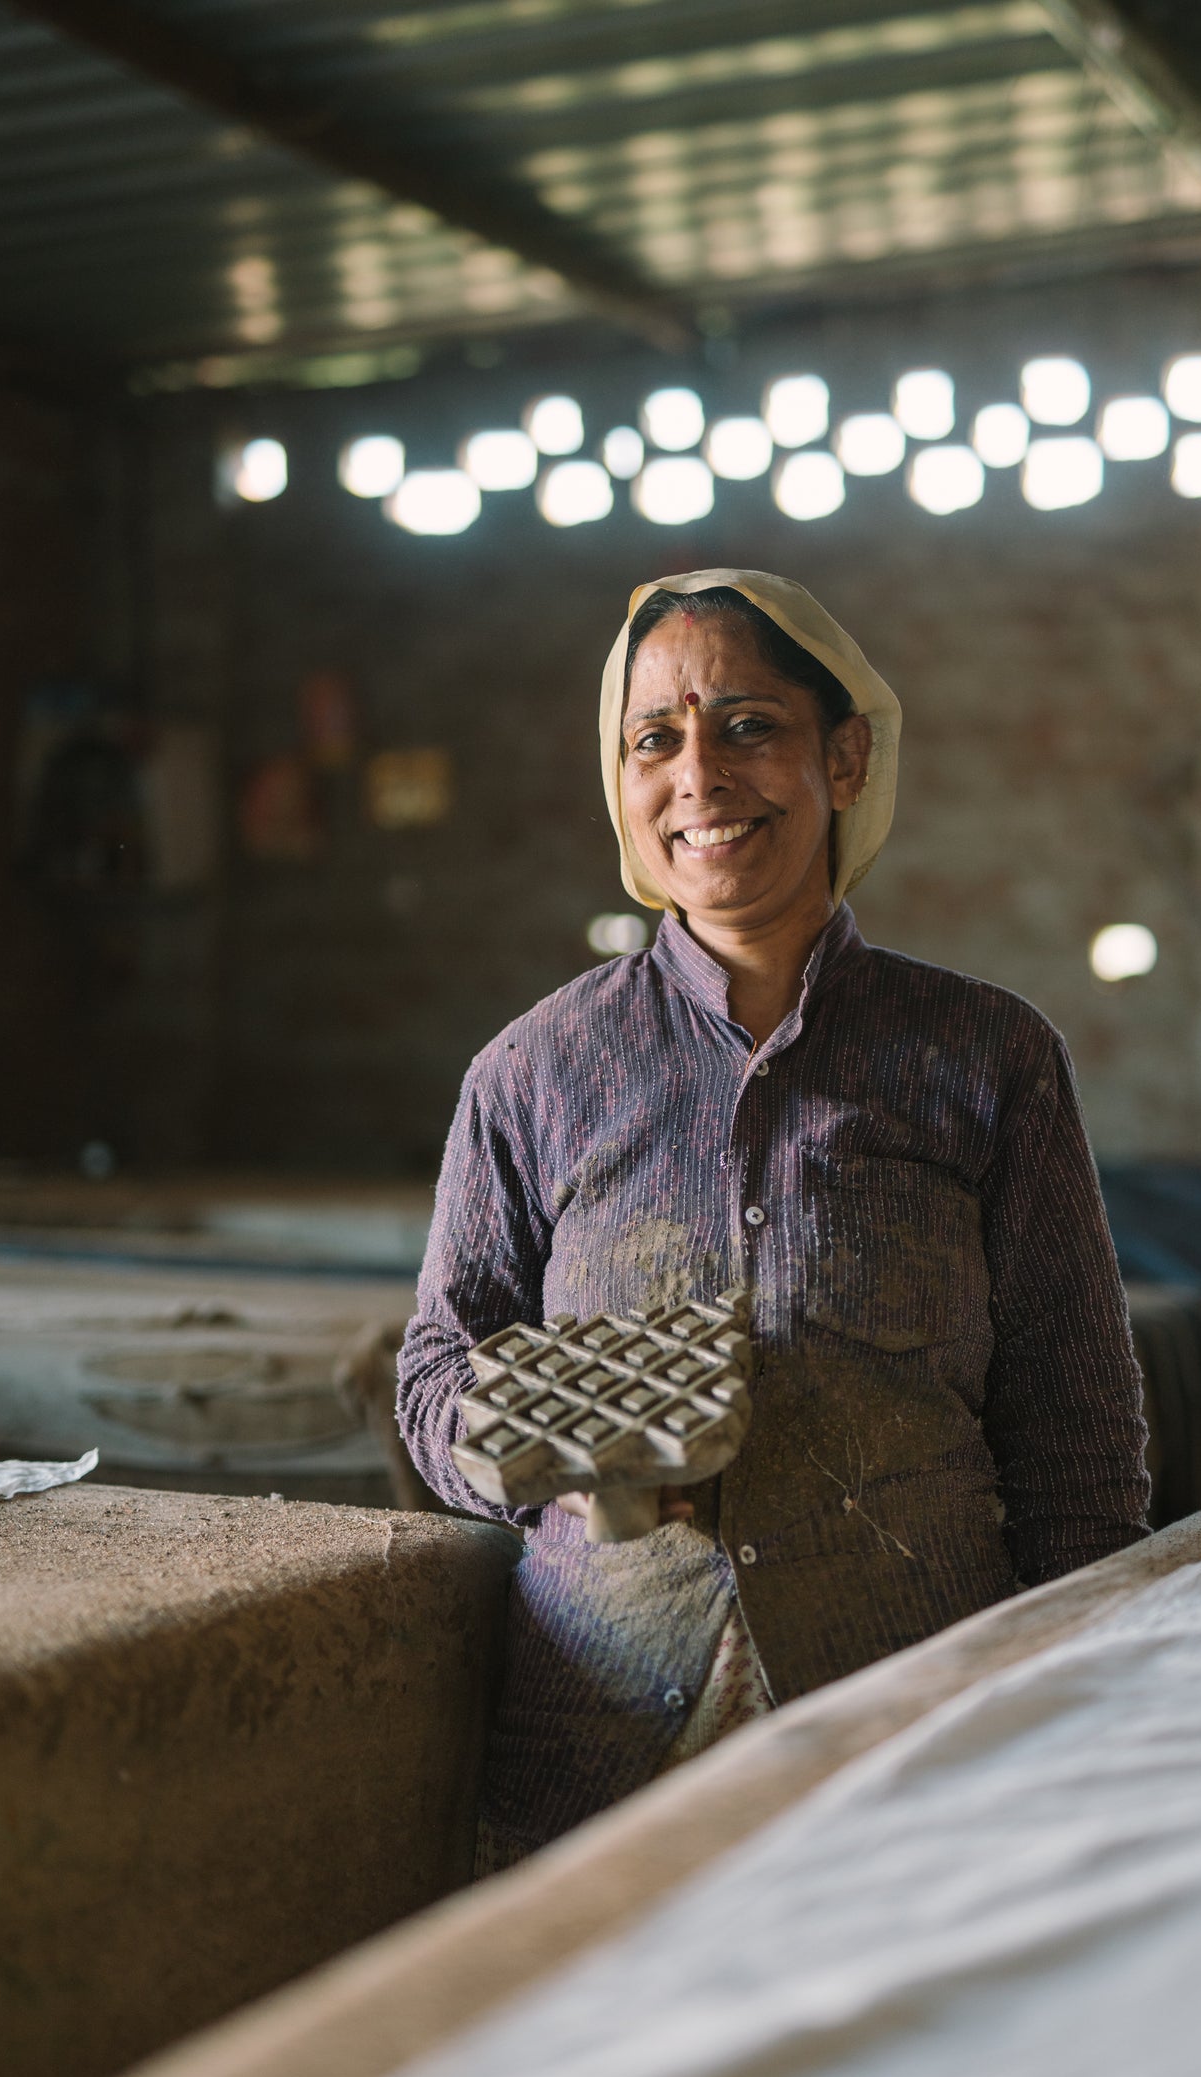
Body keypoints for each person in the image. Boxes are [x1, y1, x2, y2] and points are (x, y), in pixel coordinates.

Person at [399, 568, 1150, 1872]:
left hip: (913, 1714)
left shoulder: (980, 1055)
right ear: (620, 780)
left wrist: (1071, 1698)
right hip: (606, 1731)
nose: (698, 773)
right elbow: (431, 1370)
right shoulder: (532, 1071)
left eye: (747, 724)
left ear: (843, 756)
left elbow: (1073, 1429)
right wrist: (546, 1439)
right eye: (655, 737)